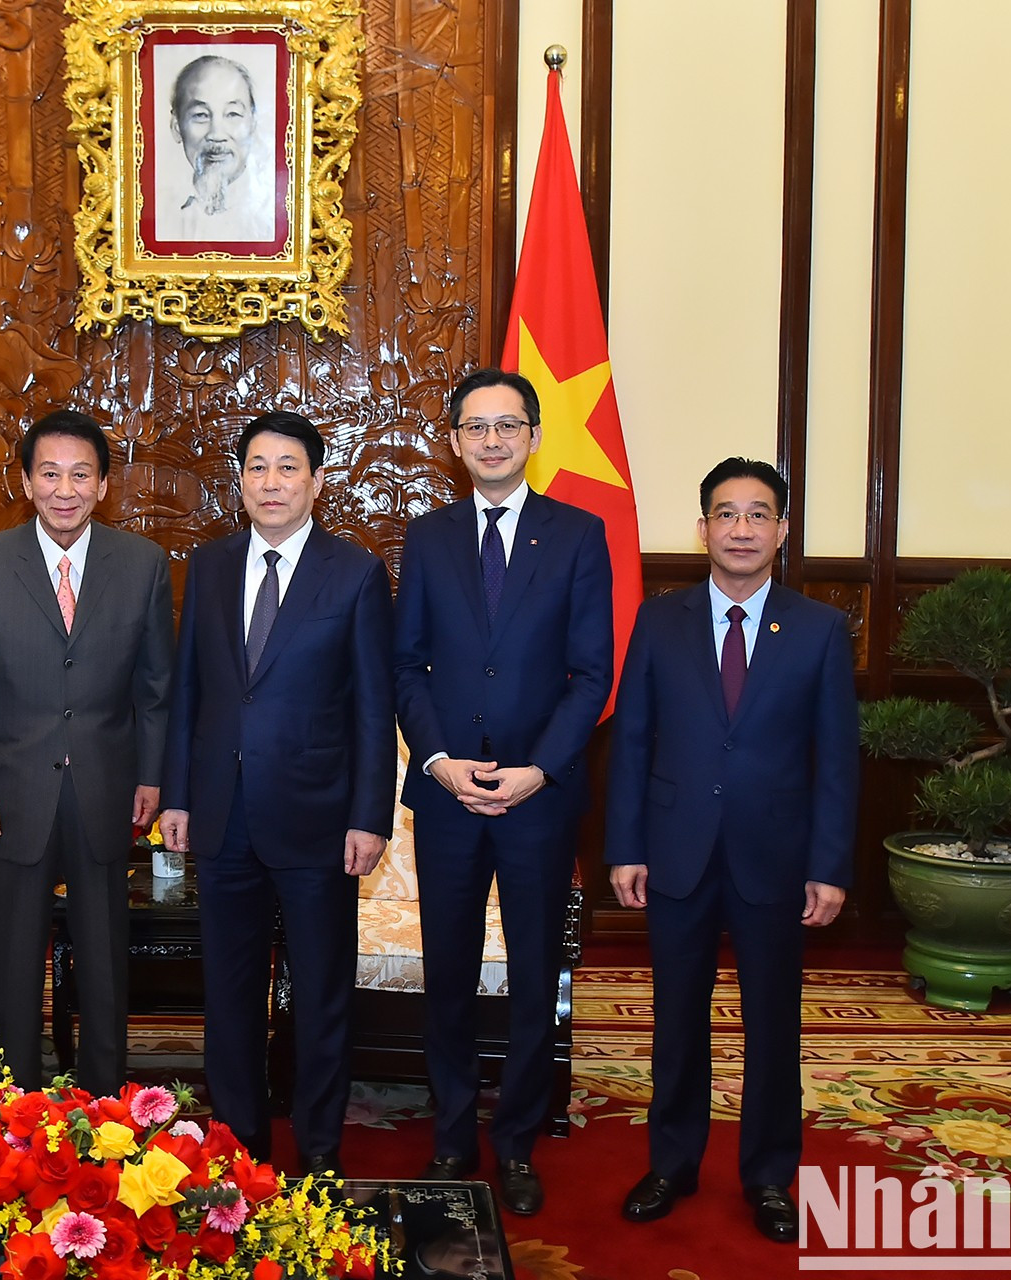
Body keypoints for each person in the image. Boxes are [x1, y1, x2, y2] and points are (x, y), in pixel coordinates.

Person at [605, 457, 857, 1244]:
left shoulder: (818, 629)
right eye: (725, 513)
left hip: (775, 858)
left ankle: (769, 1175)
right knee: (676, 1019)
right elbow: (634, 740)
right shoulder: (660, 618)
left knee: (772, 1023)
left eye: (757, 514)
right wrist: (625, 847)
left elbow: (835, 760)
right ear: (703, 527)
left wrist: (829, 865)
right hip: (675, 851)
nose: (740, 529)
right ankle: (672, 1162)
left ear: (782, 529)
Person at [392, 368, 614, 1215]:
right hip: (447, 793)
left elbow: (591, 672)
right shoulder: (428, 535)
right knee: (446, 972)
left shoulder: (577, 534)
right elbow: (407, 664)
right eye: (475, 427)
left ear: (533, 436)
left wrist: (538, 769)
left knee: (533, 975)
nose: (492, 440)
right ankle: (452, 1134)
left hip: (538, 796)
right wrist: (438, 758)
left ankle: (516, 1139)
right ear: (453, 442)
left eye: (508, 425)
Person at [159, 410, 395, 1176]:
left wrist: (370, 815)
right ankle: (239, 1149)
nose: (271, 482)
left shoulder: (354, 573)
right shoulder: (212, 562)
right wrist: (178, 796)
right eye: (257, 467)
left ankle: (320, 1148)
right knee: (229, 999)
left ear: (317, 481)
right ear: (240, 481)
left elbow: (371, 707)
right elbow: (189, 690)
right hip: (224, 819)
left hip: (321, 822)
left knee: (323, 997)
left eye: (288, 467)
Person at [0, 410, 173, 1092]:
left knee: (103, 961)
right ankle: (7, 1102)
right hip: (11, 793)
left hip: (107, 787)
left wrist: (153, 778)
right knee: (13, 960)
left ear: (102, 485)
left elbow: (156, 688)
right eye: (49, 474)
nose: (63, 489)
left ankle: (105, 1103)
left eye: (80, 474)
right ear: (26, 481)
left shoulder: (143, 564)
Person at [157, 53, 275, 243]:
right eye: (201, 115)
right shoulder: (156, 213)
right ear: (176, 126)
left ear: (253, 123)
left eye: (233, 114)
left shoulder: (273, 212)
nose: (216, 134)